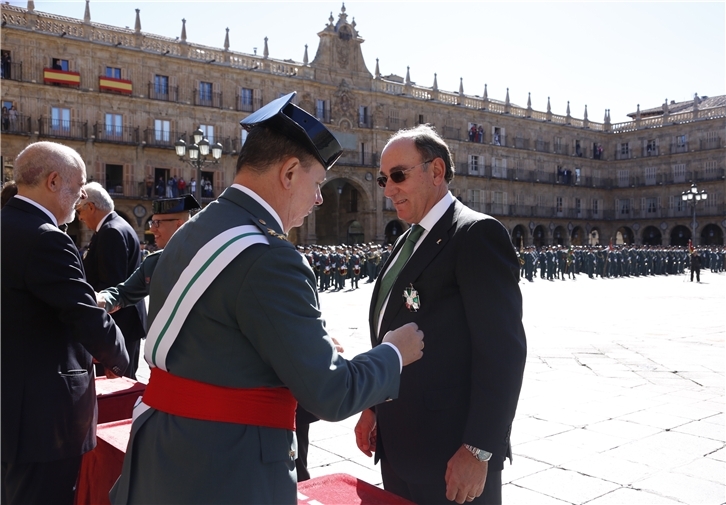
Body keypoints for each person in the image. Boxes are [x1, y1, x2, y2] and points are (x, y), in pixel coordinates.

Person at [110, 92, 424, 505]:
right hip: (227, 471)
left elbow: (214, 337)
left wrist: (295, 346)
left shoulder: (196, 229)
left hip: (166, 454)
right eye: (316, 184)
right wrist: (393, 354)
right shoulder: (271, 257)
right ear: (289, 172)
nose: (318, 199)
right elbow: (331, 392)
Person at [354, 125, 526, 505]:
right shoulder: (406, 240)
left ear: (435, 172)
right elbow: (391, 329)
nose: (387, 189)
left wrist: (479, 449)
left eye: (398, 175)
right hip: (400, 450)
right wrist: (374, 408)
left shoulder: (476, 234)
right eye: (383, 178)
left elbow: (503, 353)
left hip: (452, 458)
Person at [1, 141, 129, 505]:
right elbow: (84, 314)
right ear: (54, 181)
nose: (81, 195)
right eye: (79, 185)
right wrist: (121, 360)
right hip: (42, 421)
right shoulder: (45, 237)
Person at [76, 182, 147, 380]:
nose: (79, 218)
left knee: (117, 389)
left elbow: (111, 285)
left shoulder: (111, 232)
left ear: (91, 207)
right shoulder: (120, 226)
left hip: (119, 324)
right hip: (126, 322)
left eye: (79, 211)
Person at [96, 195, 201, 315]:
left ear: (179, 224)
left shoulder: (204, 259)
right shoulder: (153, 263)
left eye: (157, 223)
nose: (152, 229)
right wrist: (102, 298)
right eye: (152, 223)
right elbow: (123, 293)